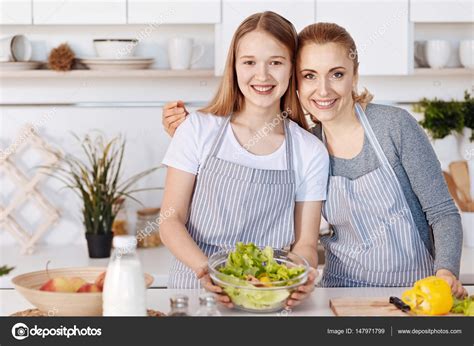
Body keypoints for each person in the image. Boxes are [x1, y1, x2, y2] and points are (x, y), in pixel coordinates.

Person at [162, 22, 467, 298]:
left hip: (412, 292)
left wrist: (445, 272)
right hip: (331, 292)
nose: (323, 90)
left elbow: (442, 212)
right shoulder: (307, 143)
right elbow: (172, 218)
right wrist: (212, 272)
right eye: (310, 76)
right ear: (298, 81)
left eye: (337, 74)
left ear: (354, 75)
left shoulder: (376, 131)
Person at [159, 12, 330, 309]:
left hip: (269, 296)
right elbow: (170, 221)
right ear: (234, 67)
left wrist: (301, 272)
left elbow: (305, 243)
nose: (262, 76)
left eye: (275, 62)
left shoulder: (310, 150)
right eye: (249, 62)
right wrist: (209, 271)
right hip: (196, 289)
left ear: (292, 69)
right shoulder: (199, 129)